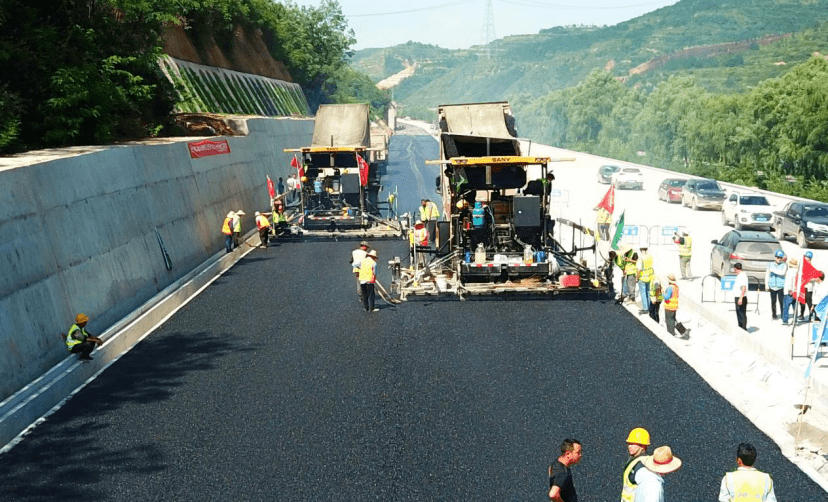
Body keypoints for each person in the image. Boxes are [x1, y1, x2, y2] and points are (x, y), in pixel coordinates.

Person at [622, 428, 651, 502]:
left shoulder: (642, 466)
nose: (629, 446)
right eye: (629, 444)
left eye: (633, 444)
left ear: (643, 446)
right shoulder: (635, 461)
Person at [765, 250, 787, 320]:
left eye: (780, 258)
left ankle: (783, 314)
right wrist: (766, 285)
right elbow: (767, 275)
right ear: (775, 257)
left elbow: (782, 273)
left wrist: (773, 270)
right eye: (778, 257)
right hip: (772, 286)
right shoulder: (770, 264)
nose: (779, 259)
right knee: (773, 301)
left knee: (781, 301)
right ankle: (774, 314)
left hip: (780, 286)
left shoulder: (784, 265)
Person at [782, 258, 799, 325]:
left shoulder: (790, 271)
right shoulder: (797, 272)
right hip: (796, 291)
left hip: (789, 291)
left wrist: (790, 290)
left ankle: (785, 321)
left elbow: (789, 281)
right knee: (795, 307)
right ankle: (795, 320)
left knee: (786, 307)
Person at [638, 246, 654, 314]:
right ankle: (649, 306)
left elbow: (639, 268)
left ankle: (645, 308)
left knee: (643, 293)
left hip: (642, 277)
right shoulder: (650, 256)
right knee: (648, 292)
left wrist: (637, 277)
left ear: (641, 250)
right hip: (649, 277)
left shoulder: (641, 257)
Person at [733, 263, 749, 330]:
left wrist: (740, 298)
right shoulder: (743, 274)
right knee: (740, 313)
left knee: (741, 314)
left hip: (741, 297)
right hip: (741, 296)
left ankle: (743, 328)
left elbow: (743, 287)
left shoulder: (741, 276)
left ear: (735, 269)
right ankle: (741, 327)